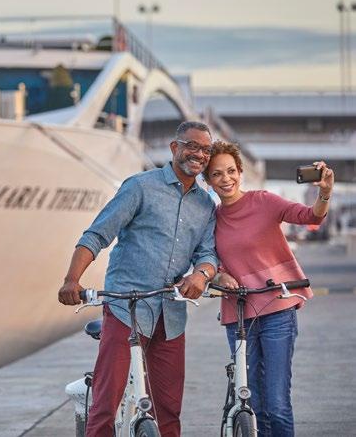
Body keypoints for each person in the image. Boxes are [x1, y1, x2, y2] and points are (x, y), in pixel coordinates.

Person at [58, 121, 218, 437]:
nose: (199, 154)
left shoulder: (205, 205)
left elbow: (208, 254)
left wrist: (201, 275)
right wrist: (72, 279)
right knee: (106, 404)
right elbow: (97, 234)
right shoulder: (140, 186)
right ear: (175, 147)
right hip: (125, 308)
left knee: (169, 410)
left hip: (171, 314)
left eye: (206, 149)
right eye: (192, 145)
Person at [203, 141, 334, 437]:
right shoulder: (210, 219)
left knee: (276, 405)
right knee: (253, 404)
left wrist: (324, 192)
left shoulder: (263, 201)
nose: (226, 179)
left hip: (277, 311)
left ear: (240, 172)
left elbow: (310, 217)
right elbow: (205, 259)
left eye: (231, 171)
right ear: (207, 180)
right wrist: (219, 276)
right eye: (216, 174)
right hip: (238, 316)